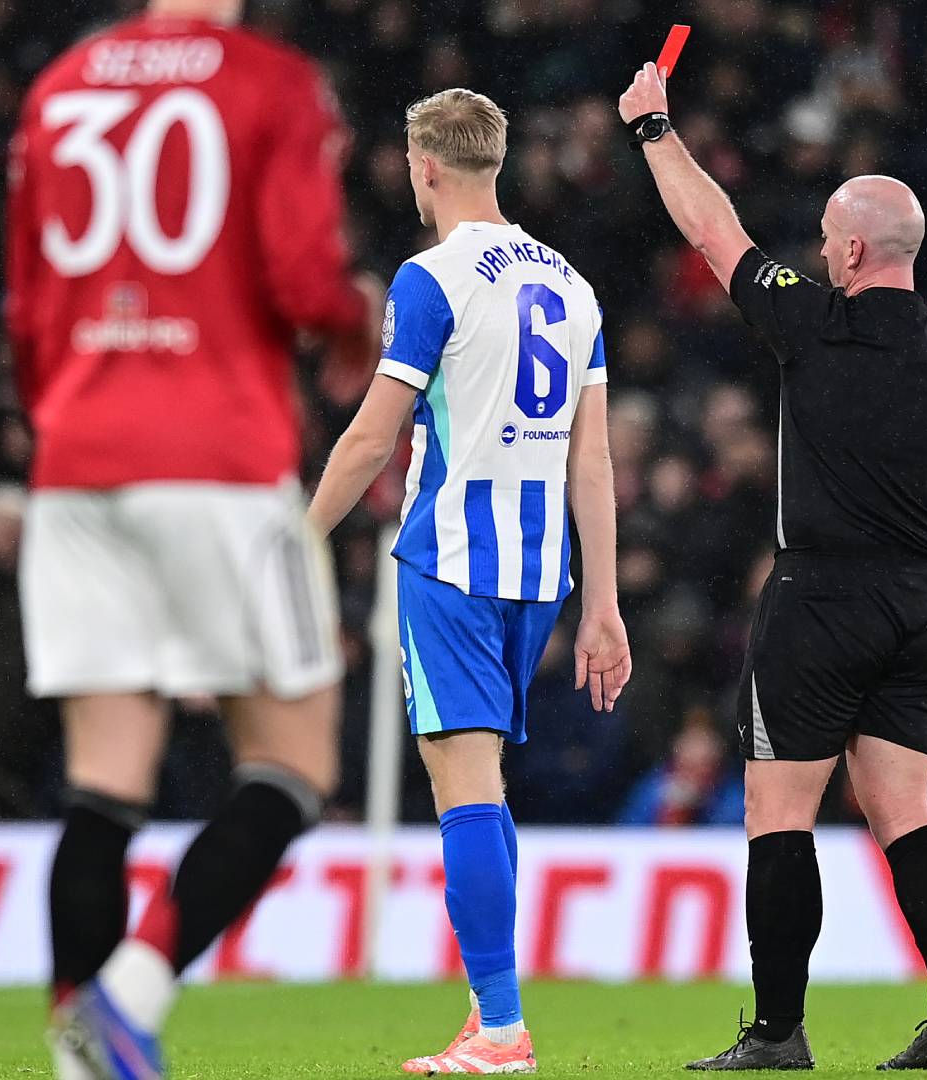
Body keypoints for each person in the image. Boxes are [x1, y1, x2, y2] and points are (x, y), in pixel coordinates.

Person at [4, 0, 381, 1076]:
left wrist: (73, 413)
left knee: (104, 781)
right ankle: (128, 996)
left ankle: (77, 1056)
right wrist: (352, 321)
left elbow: (26, 314)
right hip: (219, 460)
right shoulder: (270, 81)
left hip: (78, 463)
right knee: (294, 765)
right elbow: (300, 276)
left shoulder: (59, 86)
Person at [619, 64, 927, 1071]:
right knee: (904, 811)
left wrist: (656, 128)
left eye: (831, 241)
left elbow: (713, 229)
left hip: (822, 599)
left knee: (777, 814)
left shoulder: (814, 319)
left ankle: (779, 1033)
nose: (822, 253)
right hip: (920, 604)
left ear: (852, 250)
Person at [307, 87, 632, 1076]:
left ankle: (499, 1026)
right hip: (539, 574)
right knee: (484, 784)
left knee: (464, 787)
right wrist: (604, 604)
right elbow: (592, 462)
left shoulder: (430, 278)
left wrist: (296, 541)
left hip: (451, 561)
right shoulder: (573, 285)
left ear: (426, 168)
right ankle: (496, 1016)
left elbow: (373, 436)